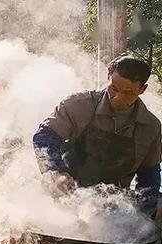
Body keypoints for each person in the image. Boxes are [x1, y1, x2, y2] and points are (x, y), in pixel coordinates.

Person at [34, 56, 161, 217]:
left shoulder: (150, 127)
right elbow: (44, 136)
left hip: (112, 211)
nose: (117, 97)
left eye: (128, 92)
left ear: (142, 89)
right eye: (113, 88)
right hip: (63, 202)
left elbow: (149, 176)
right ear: (108, 77)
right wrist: (55, 171)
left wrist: (144, 220)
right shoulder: (79, 105)